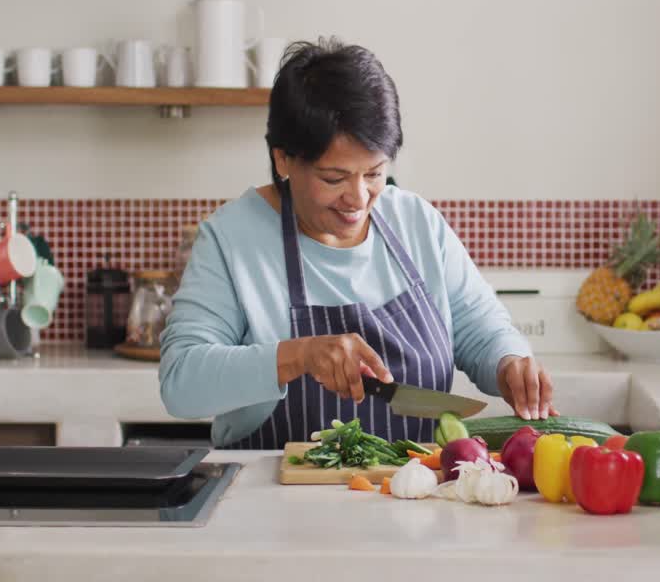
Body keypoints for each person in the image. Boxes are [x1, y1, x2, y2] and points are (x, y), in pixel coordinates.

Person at [159, 38, 555, 448]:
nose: (359, 198)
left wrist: (509, 363)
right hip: (273, 502)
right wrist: (297, 356)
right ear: (283, 160)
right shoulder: (232, 239)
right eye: (334, 179)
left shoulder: (416, 222)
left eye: (374, 173)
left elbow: (480, 328)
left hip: (412, 495)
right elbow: (181, 381)